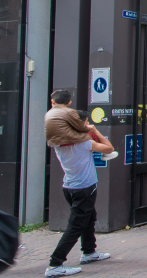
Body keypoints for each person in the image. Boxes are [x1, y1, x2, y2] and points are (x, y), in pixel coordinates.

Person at [45, 89, 114, 277]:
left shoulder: (58, 143)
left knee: (89, 218)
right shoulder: (83, 143)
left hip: (69, 187)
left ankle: (89, 252)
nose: (87, 124)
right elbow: (109, 148)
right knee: (76, 225)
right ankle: (55, 264)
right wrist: (94, 130)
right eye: (84, 122)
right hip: (84, 188)